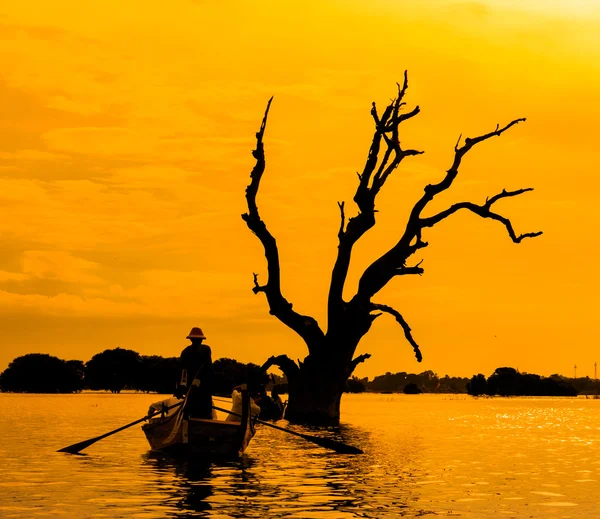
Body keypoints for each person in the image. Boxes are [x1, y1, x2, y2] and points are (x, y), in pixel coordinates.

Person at [176, 326, 215, 419]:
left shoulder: (204, 350)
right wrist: (179, 389)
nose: (198, 342)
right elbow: (181, 371)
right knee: (196, 410)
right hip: (193, 386)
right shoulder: (187, 352)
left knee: (202, 409)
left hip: (202, 385)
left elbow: (209, 368)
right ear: (192, 340)